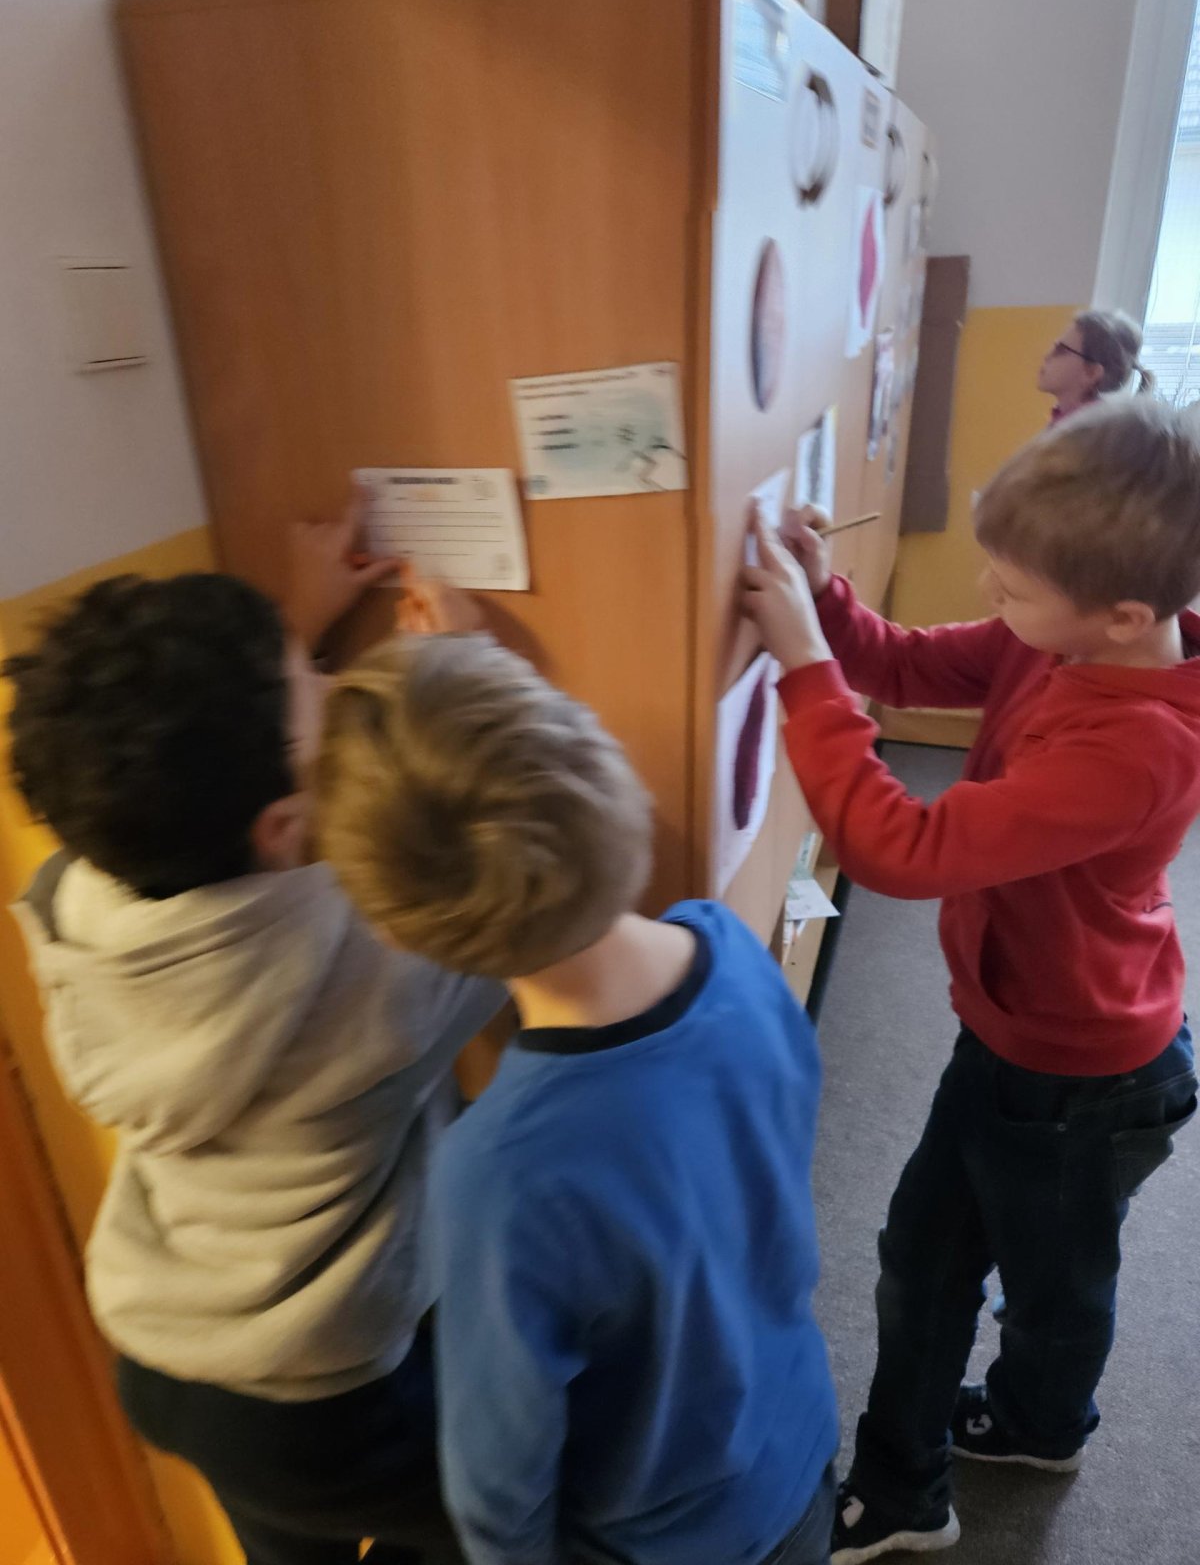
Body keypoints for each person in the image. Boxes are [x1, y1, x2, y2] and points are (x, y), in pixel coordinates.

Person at [741, 398, 1200, 1563]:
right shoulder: (1063, 633)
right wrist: (824, 600)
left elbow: (900, 847)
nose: (991, 596)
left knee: (1039, 1282)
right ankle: (1021, 1430)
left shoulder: (1132, 746)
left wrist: (802, 669)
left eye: (1012, 587)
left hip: (1074, 1070)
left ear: (1126, 615)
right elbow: (904, 661)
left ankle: (954, 1464)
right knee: (949, 1259)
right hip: (1026, 1034)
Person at [6, 509, 506, 1565]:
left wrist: (290, 632)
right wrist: (458, 673)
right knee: (497, 1513)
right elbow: (502, 897)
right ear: (281, 826)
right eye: (311, 685)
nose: (332, 683)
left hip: (165, 1350)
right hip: (324, 1396)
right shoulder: (377, 977)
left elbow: (181, 753)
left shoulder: (85, 896)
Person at [316, 634, 840, 1565]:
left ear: (399, 930)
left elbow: (496, 1476)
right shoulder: (730, 948)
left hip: (658, 1543)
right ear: (611, 780)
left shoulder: (499, 1172)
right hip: (795, 1456)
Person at [1037, 308, 1153, 424]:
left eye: (1061, 350)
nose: (1047, 355)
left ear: (1091, 373)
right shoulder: (1069, 421)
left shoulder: (1093, 430)